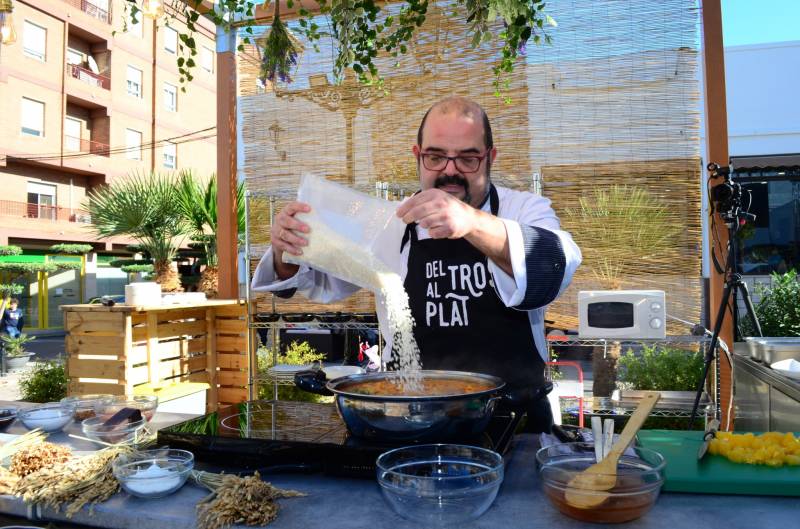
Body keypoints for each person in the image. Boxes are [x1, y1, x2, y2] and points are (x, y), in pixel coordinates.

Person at [253, 96, 581, 431]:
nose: (450, 171)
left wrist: (470, 221)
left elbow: (555, 262)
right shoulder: (388, 222)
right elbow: (310, 280)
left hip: (516, 420)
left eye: (468, 159)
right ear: (418, 156)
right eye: (436, 157)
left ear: (490, 158)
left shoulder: (524, 210)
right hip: (410, 419)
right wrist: (286, 249)